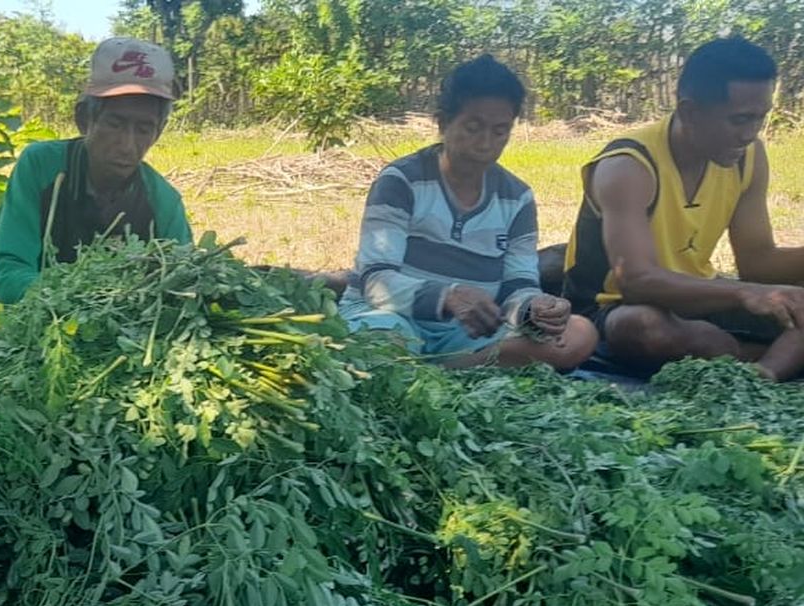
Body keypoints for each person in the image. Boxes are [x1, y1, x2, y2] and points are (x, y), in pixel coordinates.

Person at [563, 36, 804, 380]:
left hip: (699, 299)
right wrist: (743, 292)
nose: (750, 134)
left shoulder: (748, 157)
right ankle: (762, 360)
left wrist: (759, 289)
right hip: (613, 308)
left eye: (760, 119)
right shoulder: (629, 165)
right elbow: (636, 281)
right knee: (642, 326)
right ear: (690, 111)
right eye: (739, 120)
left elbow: (758, 263)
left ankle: (760, 374)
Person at [339, 55, 597, 369]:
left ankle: (440, 372)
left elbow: (518, 285)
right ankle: (456, 370)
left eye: (500, 131)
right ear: (443, 123)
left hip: (467, 334)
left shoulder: (517, 198)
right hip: (388, 318)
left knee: (580, 333)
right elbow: (375, 279)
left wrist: (536, 308)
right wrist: (447, 297)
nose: (485, 143)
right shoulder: (402, 181)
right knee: (381, 345)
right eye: (473, 128)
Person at [0, 37, 192, 303]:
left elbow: (184, 281)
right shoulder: (41, 167)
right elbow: (9, 266)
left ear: (159, 132)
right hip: (41, 321)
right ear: (84, 119)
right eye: (115, 124)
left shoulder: (163, 201)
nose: (127, 146)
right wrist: (73, 304)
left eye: (144, 129)